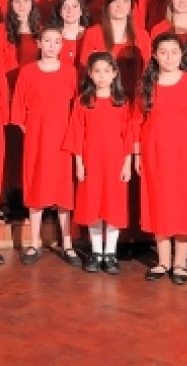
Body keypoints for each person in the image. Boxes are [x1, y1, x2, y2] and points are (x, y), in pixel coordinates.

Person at [134, 32, 187, 286]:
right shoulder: (147, 84)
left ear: (182, 55)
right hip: (154, 151)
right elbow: (137, 120)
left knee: (184, 203)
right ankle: (163, 261)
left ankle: (180, 262)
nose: (169, 57)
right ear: (154, 55)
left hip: (185, 153)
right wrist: (136, 153)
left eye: (174, 52)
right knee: (159, 202)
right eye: (163, 52)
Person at [10, 27, 80, 266]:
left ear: (62, 45)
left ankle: (67, 243)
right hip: (38, 140)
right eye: (47, 41)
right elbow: (18, 108)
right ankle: (34, 242)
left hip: (63, 139)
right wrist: (31, 130)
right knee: (36, 185)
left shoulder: (71, 73)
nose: (52, 45)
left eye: (57, 41)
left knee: (63, 190)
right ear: (39, 43)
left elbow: (77, 109)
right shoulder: (28, 72)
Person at [66, 51, 134, 275]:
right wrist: (78, 163)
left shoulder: (122, 102)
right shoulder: (84, 101)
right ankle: (96, 252)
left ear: (114, 73)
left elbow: (129, 135)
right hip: (91, 160)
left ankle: (110, 253)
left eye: (107, 71)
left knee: (113, 206)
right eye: (97, 71)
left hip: (115, 161)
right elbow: (76, 133)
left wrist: (127, 163)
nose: (102, 76)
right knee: (93, 205)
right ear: (90, 74)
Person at [78, 0, 149, 97]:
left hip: (133, 101)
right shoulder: (93, 34)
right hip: (101, 100)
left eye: (125, 0)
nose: (120, 5)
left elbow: (146, 74)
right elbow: (85, 71)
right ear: (107, 4)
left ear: (131, 6)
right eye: (115, 0)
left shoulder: (142, 36)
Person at [0, 0, 44, 87]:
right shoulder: (0, 30)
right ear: (11, 4)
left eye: (25, 0)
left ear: (32, 3)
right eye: (17, 1)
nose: (21, 5)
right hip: (7, 84)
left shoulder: (42, 31)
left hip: (34, 85)